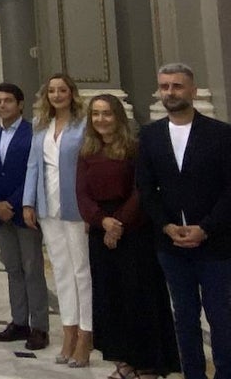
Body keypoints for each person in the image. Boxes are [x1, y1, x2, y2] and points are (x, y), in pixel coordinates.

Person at [136, 63, 231, 379]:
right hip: (171, 244)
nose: (170, 92)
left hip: (216, 243)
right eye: (164, 87)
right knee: (185, 316)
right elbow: (146, 188)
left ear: (192, 90)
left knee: (221, 316)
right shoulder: (149, 136)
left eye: (177, 86)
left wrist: (205, 228)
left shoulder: (220, 134)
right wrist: (166, 226)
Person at [78, 94, 180, 379]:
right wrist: (102, 221)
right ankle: (122, 361)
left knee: (139, 297)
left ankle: (147, 364)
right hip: (101, 230)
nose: (101, 119)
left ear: (118, 117)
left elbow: (141, 189)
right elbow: (82, 193)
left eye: (107, 113)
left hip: (134, 230)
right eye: (96, 114)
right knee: (110, 299)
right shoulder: (87, 150)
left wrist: (119, 223)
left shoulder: (135, 148)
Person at [23, 73, 92, 367]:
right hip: (47, 207)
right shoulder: (41, 127)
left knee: (81, 272)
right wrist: (28, 202)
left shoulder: (83, 126)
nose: (57, 94)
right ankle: (67, 332)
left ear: (71, 93)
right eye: (51, 90)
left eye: (62, 90)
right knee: (62, 272)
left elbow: (89, 167)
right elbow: (33, 165)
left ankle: (85, 337)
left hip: (76, 207)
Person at [0, 82, 49, 351]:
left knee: (32, 269)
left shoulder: (34, 132)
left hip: (25, 211)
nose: (2, 105)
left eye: (8, 100)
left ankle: (39, 326)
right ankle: (19, 321)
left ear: (20, 104)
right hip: (0, 213)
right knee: (12, 268)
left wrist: (15, 202)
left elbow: (34, 172)